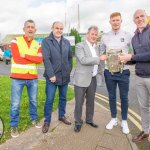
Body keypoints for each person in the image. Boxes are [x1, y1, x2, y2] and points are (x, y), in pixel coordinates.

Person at [99, 12, 132, 134]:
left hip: (124, 72)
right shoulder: (105, 36)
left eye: (117, 20)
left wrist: (130, 57)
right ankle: (113, 119)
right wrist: (101, 56)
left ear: (121, 21)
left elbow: (133, 52)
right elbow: (100, 51)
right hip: (109, 72)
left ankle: (124, 121)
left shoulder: (128, 35)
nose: (115, 22)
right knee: (112, 97)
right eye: (113, 20)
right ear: (110, 22)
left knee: (124, 98)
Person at [119, 9, 150, 142]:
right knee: (143, 107)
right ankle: (145, 131)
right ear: (134, 21)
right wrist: (127, 59)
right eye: (136, 17)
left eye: (142, 16)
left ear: (147, 17)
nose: (139, 19)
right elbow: (137, 58)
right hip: (139, 76)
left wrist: (131, 56)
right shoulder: (134, 37)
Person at [10, 19, 43, 138]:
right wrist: (31, 58)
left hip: (32, 78)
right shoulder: (15, 40)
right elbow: (17, 58)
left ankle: (34, 119)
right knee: (15, 104)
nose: (30, 29)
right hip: (17, 78)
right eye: (28, 27)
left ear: (35, 30)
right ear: (24, 29)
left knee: (33, 101)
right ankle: (14, 125)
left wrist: (25, 55)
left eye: (32, 27)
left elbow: (39, 60)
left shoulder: (38, 44)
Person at [42, 21, 72, 133]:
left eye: (61, 28)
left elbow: (70, 57)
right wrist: (51, 75)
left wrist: (69, 70)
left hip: (64, 76)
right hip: (52, 78)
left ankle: (61, 116)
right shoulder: (46, 41)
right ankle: (47, 121)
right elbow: (46, 59)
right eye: (57, 28)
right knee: (49, 100)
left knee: (63, 98)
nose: (59, 30)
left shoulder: (66, 42)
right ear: (52, 28)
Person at [73, 26, 101, 132]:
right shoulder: (80, 46)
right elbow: (83, 60)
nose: (94, 36)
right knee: (79, 102)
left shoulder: (97, 47)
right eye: (92, 34)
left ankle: (89, 120)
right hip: (81, 79)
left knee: (91, 101)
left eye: (95, 34)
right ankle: (78, 122)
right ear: (87, 35)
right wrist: (98, 59)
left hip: (93, 78)